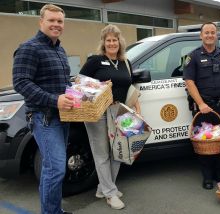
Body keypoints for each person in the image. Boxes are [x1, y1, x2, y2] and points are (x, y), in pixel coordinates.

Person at [12, 4, 74, 214]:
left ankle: (55, 211)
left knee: (54, 168)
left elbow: (62, 82)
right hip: (44, 117)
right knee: (55, 169)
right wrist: (54, 100)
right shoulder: (29, 48)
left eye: (60, 21)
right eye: (52, 20)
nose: (56, 25)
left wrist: (81, 92)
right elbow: (21, 83)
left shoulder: (59, 49)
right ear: (41, 22)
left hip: (62, 117)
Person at [79, 24, 139, 210]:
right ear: (103, 43)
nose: (112, 43)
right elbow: (79, 82)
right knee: (102, 153)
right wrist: (99, 85)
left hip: (120, 111)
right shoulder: (95, 61)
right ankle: (110, 193)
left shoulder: (125, 63)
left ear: (120, 42)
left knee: (119, 151)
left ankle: (103, 188)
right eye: (108, 40)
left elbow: (132, 88)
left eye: (115, 40)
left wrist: (136, 109)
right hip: (98, 111)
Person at [184, 22, 220, 190]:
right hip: (204, 107)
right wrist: (200, 104)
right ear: (201, 36)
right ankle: (207, 177)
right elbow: (189, 81)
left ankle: (218, 173)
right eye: (206, 32)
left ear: (216, 35)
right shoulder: (192, 56)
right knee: (205, 143)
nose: (209, 35)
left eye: (212, 32)